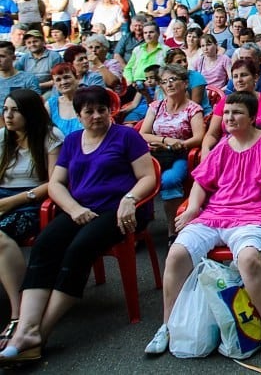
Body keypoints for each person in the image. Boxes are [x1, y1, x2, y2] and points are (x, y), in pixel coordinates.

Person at [0, 87, 155, 364]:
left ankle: (39, 333)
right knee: (45, 245)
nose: (96, 116)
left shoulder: (126, 136)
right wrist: (73, 209)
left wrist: (130, 199)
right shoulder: (72, 141)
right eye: (89, 111)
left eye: (102, 110)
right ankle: (25, 328)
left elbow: (147, 177)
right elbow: (57, 183)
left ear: (111, 111)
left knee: (79, 249)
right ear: (79, 115)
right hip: (81, 209)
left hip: (119, 209)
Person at [145, 91, 261, 362]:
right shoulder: (224, 144)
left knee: (248, 258)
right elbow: (201, 181)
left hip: (251, 216)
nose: (230, 118)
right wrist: (191, 209)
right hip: (214, 215)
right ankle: (166, 325)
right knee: (176, 254)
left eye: (237, 113)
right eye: (227, 113)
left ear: (252, 118)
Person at [0, 90, 63, 344]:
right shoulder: (4, 138)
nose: (8, 116)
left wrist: (10, 202)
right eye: (5, 110)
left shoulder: (50, 137)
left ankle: (17, 314)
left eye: (14, 110)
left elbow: (54, 183)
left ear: (30, 112)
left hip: (33, 201)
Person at [138, 64, 205, 244]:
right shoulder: (156, 106)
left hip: (179, 155)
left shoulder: (193, 109)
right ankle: (136, 228)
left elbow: (199, 137)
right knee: (132, 177)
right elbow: (143, 133)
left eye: (173, 80)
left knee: (169, 179)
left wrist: (179, 144)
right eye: (164, 81)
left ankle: (173, 228)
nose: (168, 84)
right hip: (155, 153)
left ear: (184, 83)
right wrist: (165, 141)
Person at [201, 58, 261, 159]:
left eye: (244, 75)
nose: (239, 80)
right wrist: (205, 149)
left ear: (256, 77)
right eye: (235, 76)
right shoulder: (225, 102)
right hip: (227, 152)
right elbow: (212, 134)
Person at [46, 64, 83, 136]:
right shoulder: (50, 105)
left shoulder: (89, 101)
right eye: (58, 80)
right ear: (54, 84)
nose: (63, 82)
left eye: (66, 77)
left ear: (77, 78)